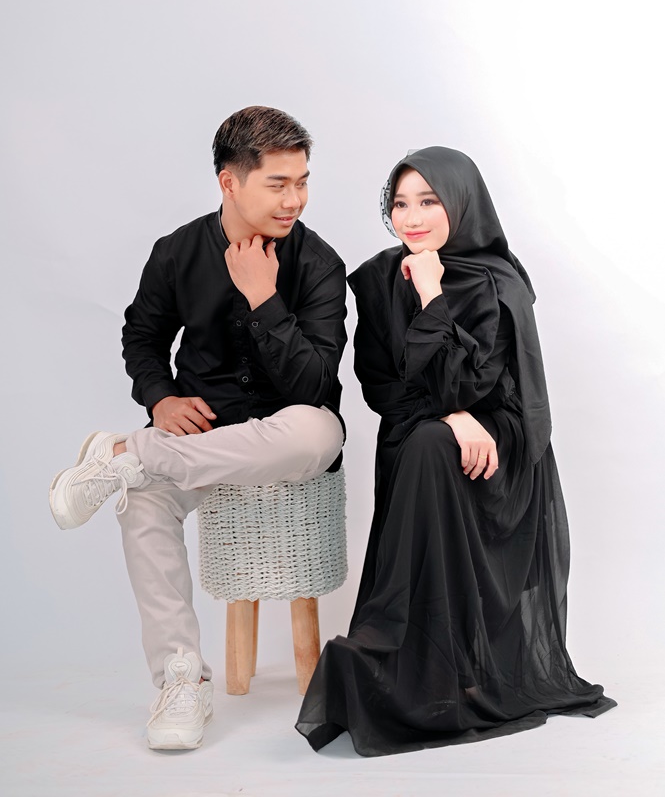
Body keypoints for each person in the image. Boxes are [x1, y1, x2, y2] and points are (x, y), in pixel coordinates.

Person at [296, 146, 616, 756]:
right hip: (424, 427)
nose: (411, 218)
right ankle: (408, 660)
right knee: (424, 440)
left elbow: (475, 384)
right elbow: (381, 386)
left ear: (461, 204)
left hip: (500, 443)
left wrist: (432, 296)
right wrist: (449, 414)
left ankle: (408, 652)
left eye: (429, 201)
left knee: (429, 443)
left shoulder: (498, 282)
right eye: (400, 204)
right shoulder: (377, 278)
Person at [49, 106, 347, 751]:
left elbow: (315, 387)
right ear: (229, 182)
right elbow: (141, 337)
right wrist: (160, 400)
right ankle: (181, 680)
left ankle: (127, 453)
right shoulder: (177, 252)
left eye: (302, 182)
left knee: (319, 432)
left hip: (286, 436)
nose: (295, 200)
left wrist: (264, 299)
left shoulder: (320, 263)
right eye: (278, 183)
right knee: (142, 503)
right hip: (198, 440)